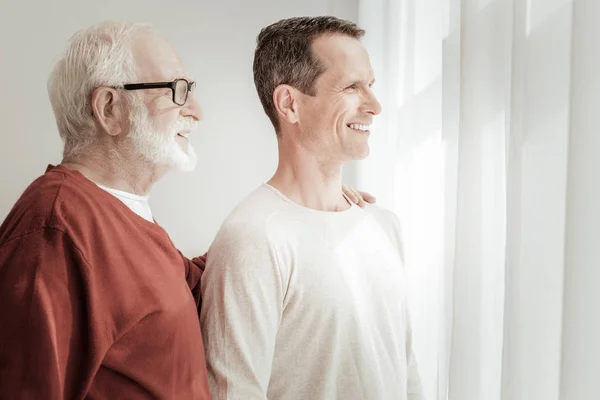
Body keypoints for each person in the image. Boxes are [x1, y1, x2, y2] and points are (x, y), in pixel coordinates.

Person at [0, 20, 371, 399]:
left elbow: (198, 286)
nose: (197, 110)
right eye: (177, 90)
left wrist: (307, 201)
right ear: (109, 109)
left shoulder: (124, 214)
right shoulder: (54, 227)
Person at [200, 16, 425, 400]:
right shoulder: (253, 238)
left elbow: (405, 376)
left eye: (370, 85)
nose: (374, 105)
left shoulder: (383, 226)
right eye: (352, 87)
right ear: (290, 104)